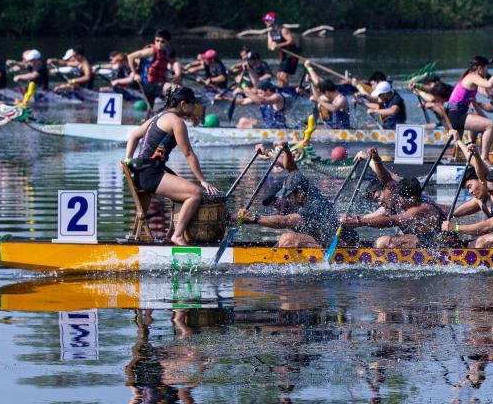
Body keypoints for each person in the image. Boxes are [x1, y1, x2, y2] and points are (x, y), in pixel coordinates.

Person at [124, 87, 218, 246]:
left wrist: (128, 159)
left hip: (142, 173)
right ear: (183, 104)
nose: (195, 107)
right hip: (150, 175)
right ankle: (178, 236)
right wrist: (202, 180)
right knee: (195, 193)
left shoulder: (159, 116)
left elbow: (133, 135)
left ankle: (170, 234)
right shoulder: (176, 122)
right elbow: (188, 153)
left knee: (183, 190)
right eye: (193, 104)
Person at [342, 149, 444, 247]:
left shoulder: (417, 205)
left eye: (378, 197)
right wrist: (348, 220)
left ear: (388, 189)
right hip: (417, 237)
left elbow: (390, 220)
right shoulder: (394, 199)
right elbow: (367, 219)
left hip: (433, 241)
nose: (379, 203)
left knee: (382, 242)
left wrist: (376, 159)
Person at [237, 172, 357, 248]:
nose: (288, 198)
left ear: (300, 193)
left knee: (287, 239)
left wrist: (254, 219)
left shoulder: (315, 204)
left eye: (290, 195)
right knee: (286, 238)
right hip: (326, 241)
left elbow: (285, 221)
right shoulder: (306, 197)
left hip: (343, 244)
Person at [445, 55, 493, 159]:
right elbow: (489, 84)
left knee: (487, 124)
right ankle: (484, 158)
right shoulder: (472, 77)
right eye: (486, 68)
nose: (487, 71)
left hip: (457, 114)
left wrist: (488, 120)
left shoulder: (472, 82)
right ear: (479, 68)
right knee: (489, 126)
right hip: (455, 115)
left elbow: (475, 107)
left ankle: (470, 152)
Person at [128, 29, 180, 104]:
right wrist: (135, 74)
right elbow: (130, 57)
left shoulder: (165, 54)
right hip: (148, 84)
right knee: (176, 89)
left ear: (167, 42)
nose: (159, 43)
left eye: (162, 41)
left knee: (150, 108)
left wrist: (171, 78)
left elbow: (162, 71)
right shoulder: (151, 51)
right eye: (157, 40)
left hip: (156, 85)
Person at [263, 12, 300, 88]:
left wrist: (279, 45)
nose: (265, 22)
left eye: (267, 20)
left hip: (292, 54)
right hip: (284, 56)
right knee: (278, 75)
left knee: (283, 76)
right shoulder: (270, 33)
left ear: (272, 20)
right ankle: (284, 90)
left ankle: (286, 91)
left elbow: (291, 41)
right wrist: (272, 46)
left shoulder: (283, 30)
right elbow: (269, 46)